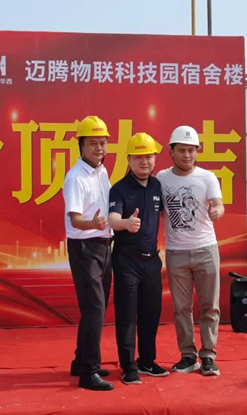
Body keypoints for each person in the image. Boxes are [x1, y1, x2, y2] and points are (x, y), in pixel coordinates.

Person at [155, 125, 225, 376]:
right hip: (176, 252)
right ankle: (187, 355)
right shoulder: (161, 178)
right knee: (181, 308)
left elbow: (219, 204)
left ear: (197, 151)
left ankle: (208, 356)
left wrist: (217, 211)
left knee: (210, 306)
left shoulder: (207, 177)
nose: (187, 155)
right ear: (171, 151)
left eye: (191, 150)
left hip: (206, 249)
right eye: (182, 150)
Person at [108, 132, 170, 385]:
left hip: (151, 260)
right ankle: (128, 366)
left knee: (151, 311)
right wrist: (126, 223)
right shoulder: (119, 188)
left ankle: (147, 360)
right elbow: (112, 219)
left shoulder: (157, 186)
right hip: (127, 260)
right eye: (139, 157)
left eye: (149, 157)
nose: (145, 162)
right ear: (129, 160)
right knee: (126, 313)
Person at [62, 115, 114, 391]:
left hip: (104, 245)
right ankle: (89, 372)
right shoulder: (75, 177)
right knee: (94, 308)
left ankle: (81, 361)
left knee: (96, 308)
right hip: (85, 247)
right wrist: (93, 223)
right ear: (80, 145)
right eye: (93, 143)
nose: (99, 148)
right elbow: (75, 219)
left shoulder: (102, 171)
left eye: (103, 143)